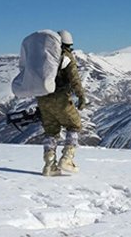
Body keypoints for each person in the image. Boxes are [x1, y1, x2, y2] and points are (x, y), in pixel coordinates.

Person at [36, 30, 86, 176]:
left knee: (51, 132)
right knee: (74, 125)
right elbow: (74, 79)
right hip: (60, 98)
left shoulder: (43, 56)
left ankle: (49, 165)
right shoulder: (65, 56)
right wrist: (81, 97)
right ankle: (67, 159)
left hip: (42, 99)